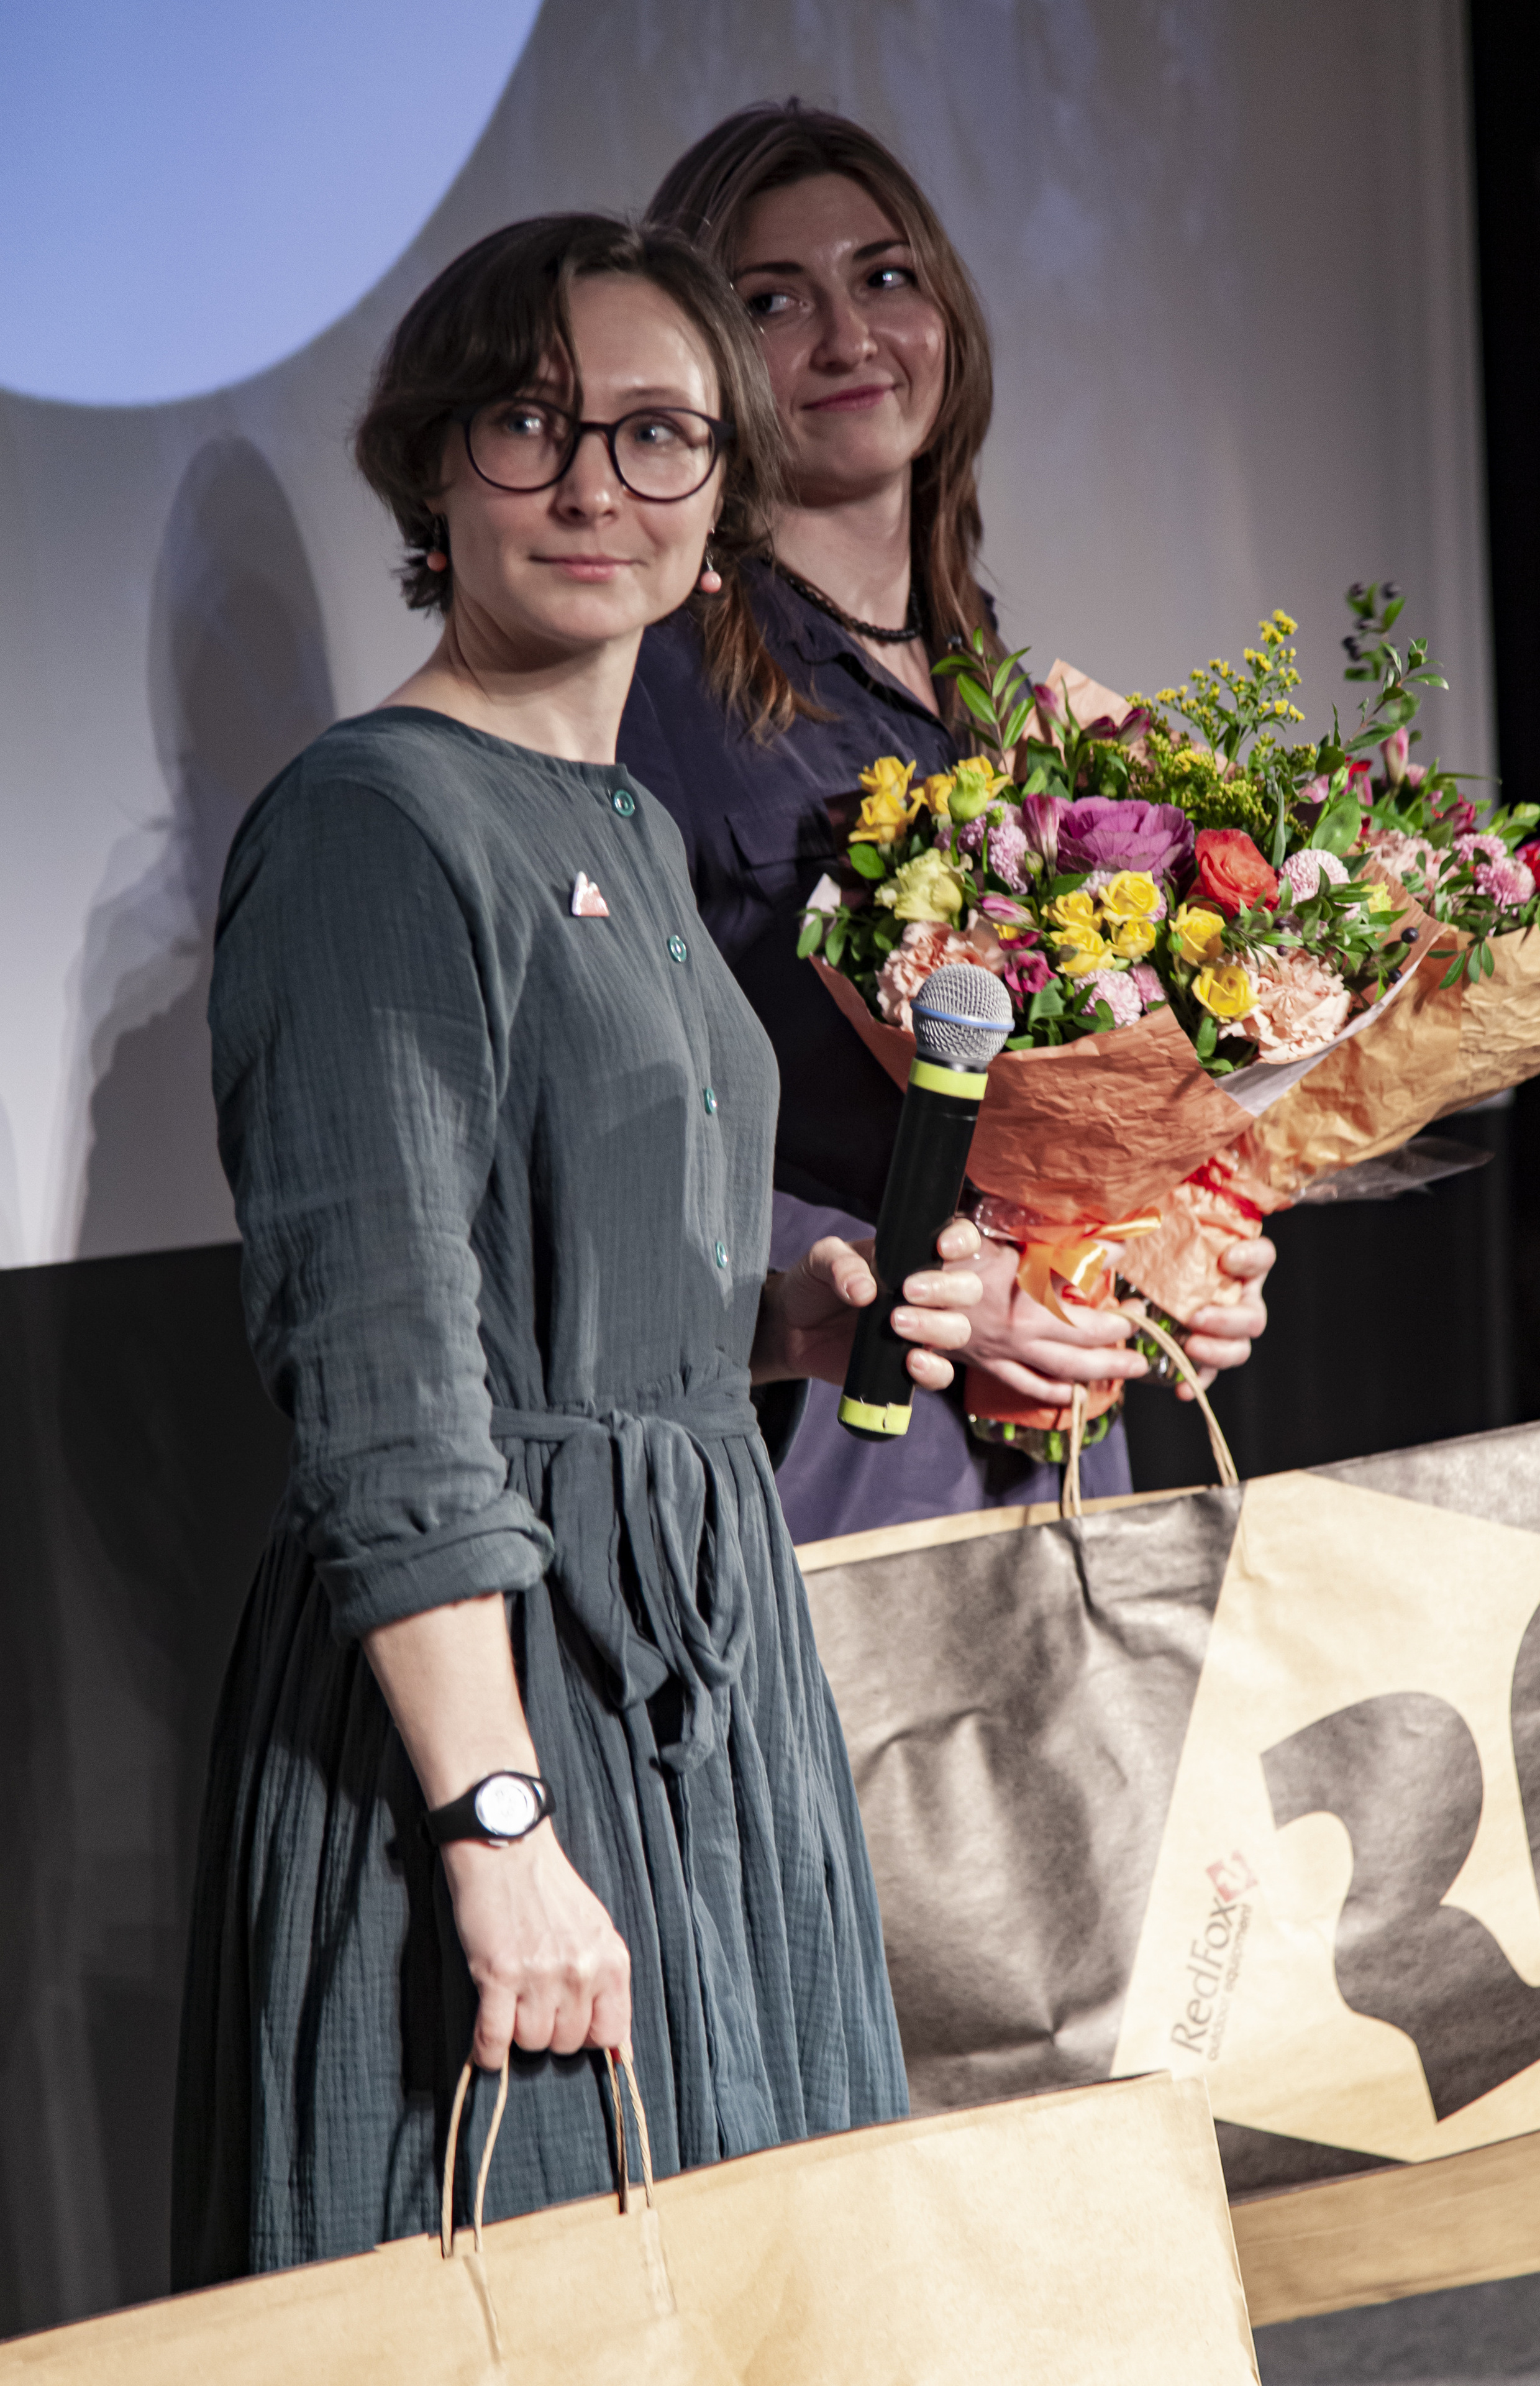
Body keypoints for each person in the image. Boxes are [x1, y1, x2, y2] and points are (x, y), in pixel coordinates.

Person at [171, 213, 986, 2286]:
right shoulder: (375, 820)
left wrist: (781, 1318)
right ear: (434, 469)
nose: (596, 487)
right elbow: (381, 1368)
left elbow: (589, 1261)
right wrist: (498, 1829)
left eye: (655, 436)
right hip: (511, 1703)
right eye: (537, 426)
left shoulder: (620, 822)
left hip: (708, 1666)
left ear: (724, 500)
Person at [618, 105, 1275, 1542]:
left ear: (949, 321)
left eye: (885, 277)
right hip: (819, 1433)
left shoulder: (1014, 709)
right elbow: (620, 1113)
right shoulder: (654, 688)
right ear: (700, 371)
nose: (849, 338)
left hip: (1050, 1431)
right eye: (773, 301)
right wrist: (869, 1267)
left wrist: (1170, 1249)